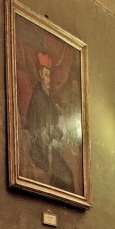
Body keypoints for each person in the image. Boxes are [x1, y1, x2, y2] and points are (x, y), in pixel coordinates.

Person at [22, 52, 75, 192]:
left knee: (68, 176)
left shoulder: (49, 99)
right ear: (41, 75)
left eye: (50, 75)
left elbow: (53, 126)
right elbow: (39, 130)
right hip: (41, 151)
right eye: (46, 75)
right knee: (65, 178)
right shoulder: (38, 98)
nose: (49, 79)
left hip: (50, 147)